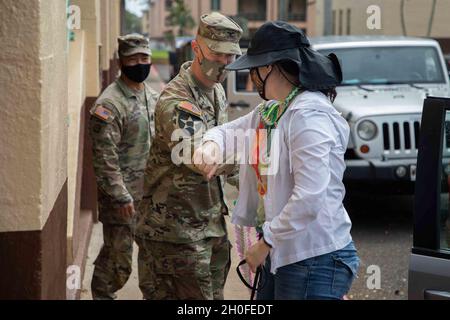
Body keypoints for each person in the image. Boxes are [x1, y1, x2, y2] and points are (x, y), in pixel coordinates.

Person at [193, 21, 360, 300]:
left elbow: (309, 196)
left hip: (315, 259)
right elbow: (229, 131)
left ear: (270, 67)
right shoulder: (272, 111)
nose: (252, 78)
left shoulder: (309, 117)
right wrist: (209, 146)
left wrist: (266, 242)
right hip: (285, 255)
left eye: (253, 70)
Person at [135, 12, 243, 300]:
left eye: (230, 56)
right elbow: (202, 159)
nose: (224, 62)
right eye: (217, 54)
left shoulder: (216, 91)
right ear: (197, 49)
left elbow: (222, 144)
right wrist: (250, 159)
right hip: (175, 235)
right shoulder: (177, 102)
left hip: (208, 226)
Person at [89, 34, 159, 300]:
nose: (139, 63)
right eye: (132, 58)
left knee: (154, 263)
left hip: (152, 197)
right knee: (117, 264)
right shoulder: (109, 105)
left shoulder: (151, 97)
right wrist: (120, 196)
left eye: (144, 57)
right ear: (121, 61)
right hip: (123, 201)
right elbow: (104, 159)